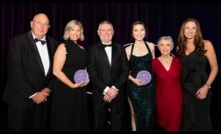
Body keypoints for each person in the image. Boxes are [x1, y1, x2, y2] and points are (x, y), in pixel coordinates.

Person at [3, 13, 59, 131]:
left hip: (43, 100)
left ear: (49, 27)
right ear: (31, 24)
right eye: (39, 22)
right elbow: (15, 72)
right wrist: (33, 95)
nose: (42, 26)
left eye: (45, 24)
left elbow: (57, 71)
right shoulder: (18, 41)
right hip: (20, 100)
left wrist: (48, 89)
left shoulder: (54, 43)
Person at [176, 18, 218, 131]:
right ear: (183, 30)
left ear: (197, 30)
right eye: (187, 28)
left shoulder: (206, 44)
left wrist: (206, 86)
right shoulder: (179, 47)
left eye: (193, 28)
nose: (190, 31)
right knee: (188, 120)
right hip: (185, 88)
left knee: (202, 120)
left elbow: (215, 68)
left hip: (202, 86)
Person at [87, 21, 129, 131]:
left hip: (117, 94)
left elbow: (125, 71)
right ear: (98, 32)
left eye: (109, 30)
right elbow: (92, 73)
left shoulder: (120, 48)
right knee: (99, 126)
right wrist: (106, 90)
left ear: (113, 32)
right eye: (103, 30)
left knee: (117, 126)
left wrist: (114, 89)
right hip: (99, 94)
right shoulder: (92, 49)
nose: (106, 33)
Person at [50, 20, 89, 131]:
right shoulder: (63, 46)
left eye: (78, 30)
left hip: (79, 88)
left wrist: (86, 78)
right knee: (65, 118)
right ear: (68, 31)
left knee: (77, 117)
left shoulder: (82, 49)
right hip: (65, 88)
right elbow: (56, 71)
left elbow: (84, 67)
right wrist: (72, 85)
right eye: (72, 30)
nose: (75, 33)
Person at [124, 21, 156, 131]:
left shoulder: (151, 46)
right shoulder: (128, 50)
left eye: (141, 30)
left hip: (150, 87)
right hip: (134, 87)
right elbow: (123, 71)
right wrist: (133, 80)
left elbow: (154, 66)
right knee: (134, 115)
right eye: (136, 30)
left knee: (149, 114)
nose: (139, 33)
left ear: (145, 31)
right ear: (132, 33)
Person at [152, 36, 183, 131]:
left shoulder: (178, 61)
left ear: (172, 47)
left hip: (177, 100)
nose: (165, 48)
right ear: (158, 47)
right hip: (161, 100)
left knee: (174, 125)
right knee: (164, 125)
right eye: (162, 45)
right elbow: (145, 78)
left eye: (168, 45)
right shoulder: (153, 63)